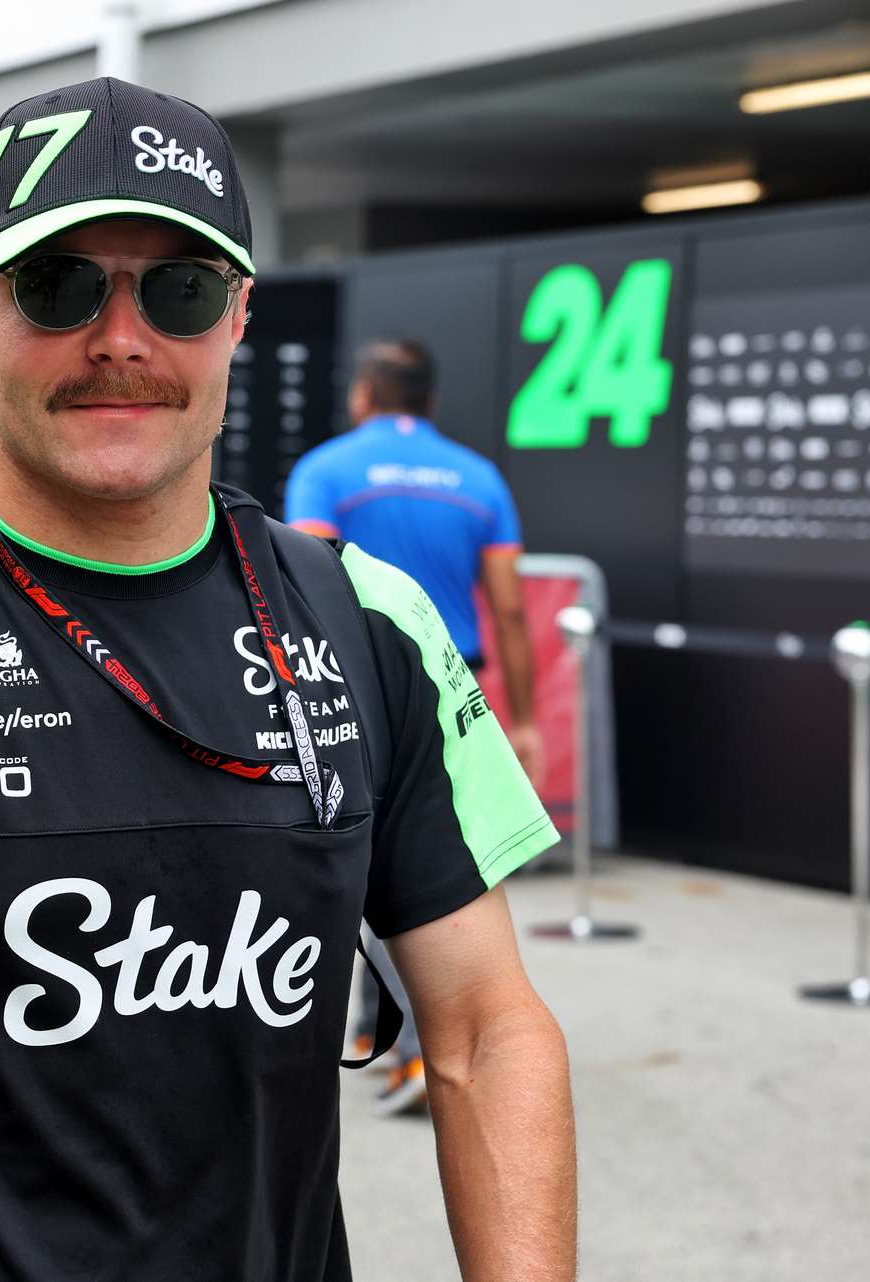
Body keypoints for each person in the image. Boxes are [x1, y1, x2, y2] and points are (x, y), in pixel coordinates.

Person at [0, 75, 574, 1282]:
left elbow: (489, 1033)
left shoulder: (368, 622)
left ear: (237, 317)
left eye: (178, 289)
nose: (121, 340)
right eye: (59, 284)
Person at [286, 339, 547, 1117]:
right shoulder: (480, 478)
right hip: (449, 684)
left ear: (364, 395)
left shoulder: (325, 470)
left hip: (347, 685)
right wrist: (526, 720)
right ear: (429, 401)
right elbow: (509, 608)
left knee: (379, 866)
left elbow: (303, 584)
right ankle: (382, 1030)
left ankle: (420, 1052)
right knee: (439, 865)